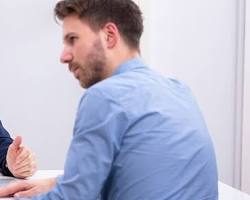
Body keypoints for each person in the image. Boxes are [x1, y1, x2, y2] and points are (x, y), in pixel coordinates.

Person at [0, 0, 218, 199]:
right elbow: (146, 172)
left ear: (109, 36)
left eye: (73, 39)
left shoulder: (105, 97)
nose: (63, 56)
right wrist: (60, 183)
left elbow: (71, 198)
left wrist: (63, 189)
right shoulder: (179, 91)